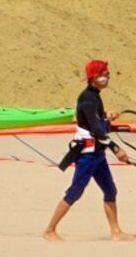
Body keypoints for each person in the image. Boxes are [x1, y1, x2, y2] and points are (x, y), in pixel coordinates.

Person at [45, 58, 130, 243]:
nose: (107, 77)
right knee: (75, 191)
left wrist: (107, 117)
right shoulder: (87, 98)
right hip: (87, 155)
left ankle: (116, 232)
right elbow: (95, 128)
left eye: (107, 74)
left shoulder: (95, 96)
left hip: (98, 154)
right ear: (94, 77)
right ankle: (50, 230)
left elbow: (96, 120)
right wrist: (116, 148)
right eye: (103, 74)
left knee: (110, 190)